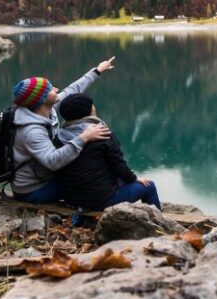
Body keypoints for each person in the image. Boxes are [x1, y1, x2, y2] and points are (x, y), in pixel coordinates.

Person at [10, 56, 116, 204]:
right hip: (33, 189)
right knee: (90, 182)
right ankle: (83, 214)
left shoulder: (47, 108)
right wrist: (84, 137)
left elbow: (73, 89)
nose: (56, 89)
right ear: (41, 100)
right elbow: (52, 161)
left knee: (91, 174)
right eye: (50, 89)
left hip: (45, 175)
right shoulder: (31, 131)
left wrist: (97, 71)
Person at [56, 92, 162, 213]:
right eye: (91, 104)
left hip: (72, 200)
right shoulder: (103, 134)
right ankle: (159, 224)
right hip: (100, 201)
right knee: (149, 186)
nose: (94, 107)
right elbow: (119, 165)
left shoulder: (60, 136)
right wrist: (134, 178)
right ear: (88, 110)